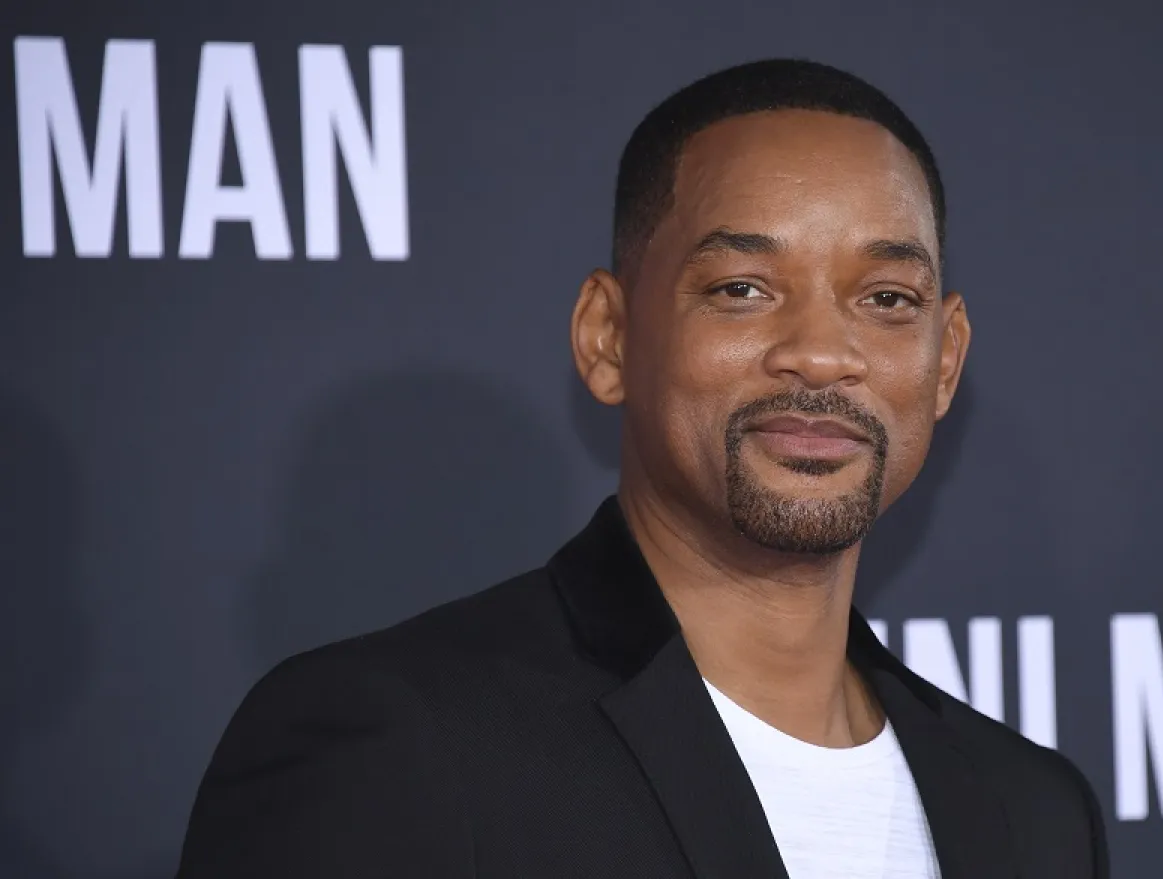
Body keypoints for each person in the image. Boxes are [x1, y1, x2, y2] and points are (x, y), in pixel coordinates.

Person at [176, 58, 1109, 878]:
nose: (822, 354)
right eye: (742, 289)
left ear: (944, 361)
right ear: (609, 337)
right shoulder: (397, 748)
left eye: (886, 297)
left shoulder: (1035, 815)